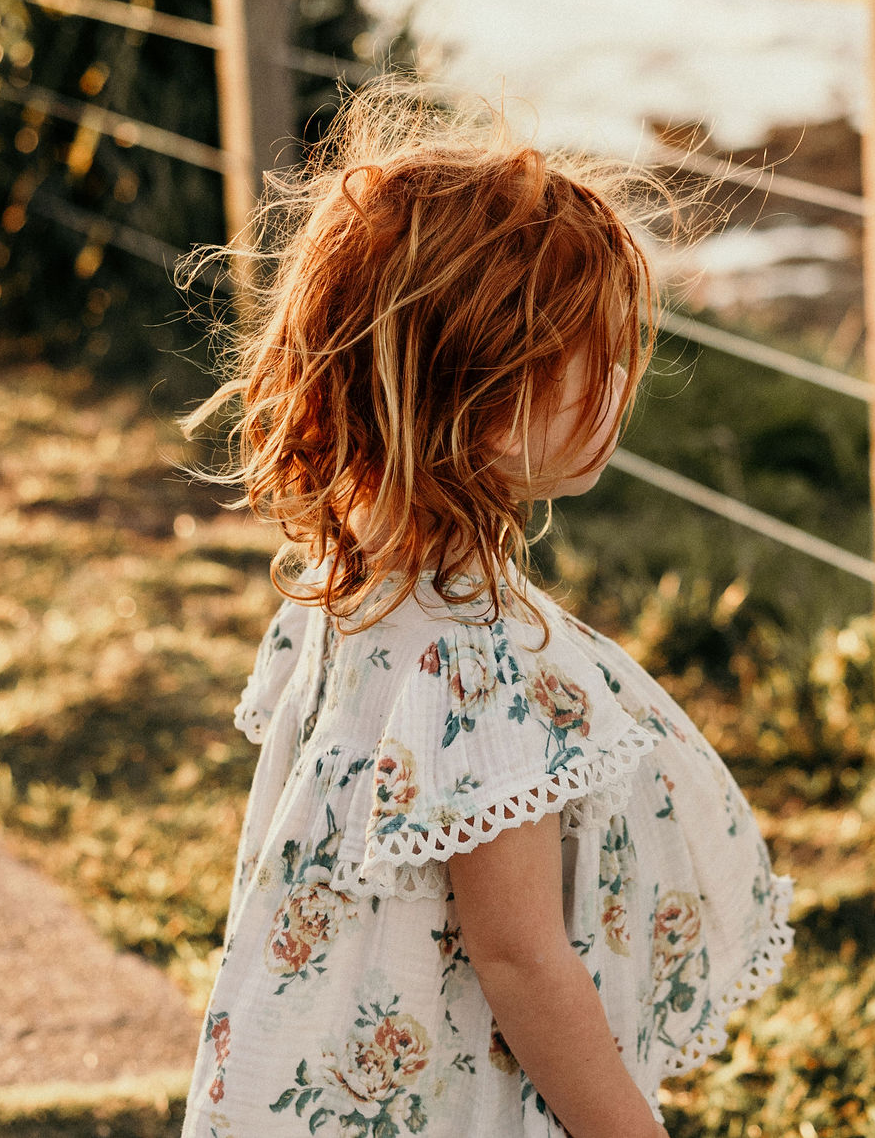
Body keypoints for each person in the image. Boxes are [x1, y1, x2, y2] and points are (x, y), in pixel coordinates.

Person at [172, 81, 795, 1138]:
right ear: (477, 389)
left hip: (308, 1075)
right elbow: (517, 957)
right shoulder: (475, 669)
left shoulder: (346, 589)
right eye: (590, 355)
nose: (621, 379)